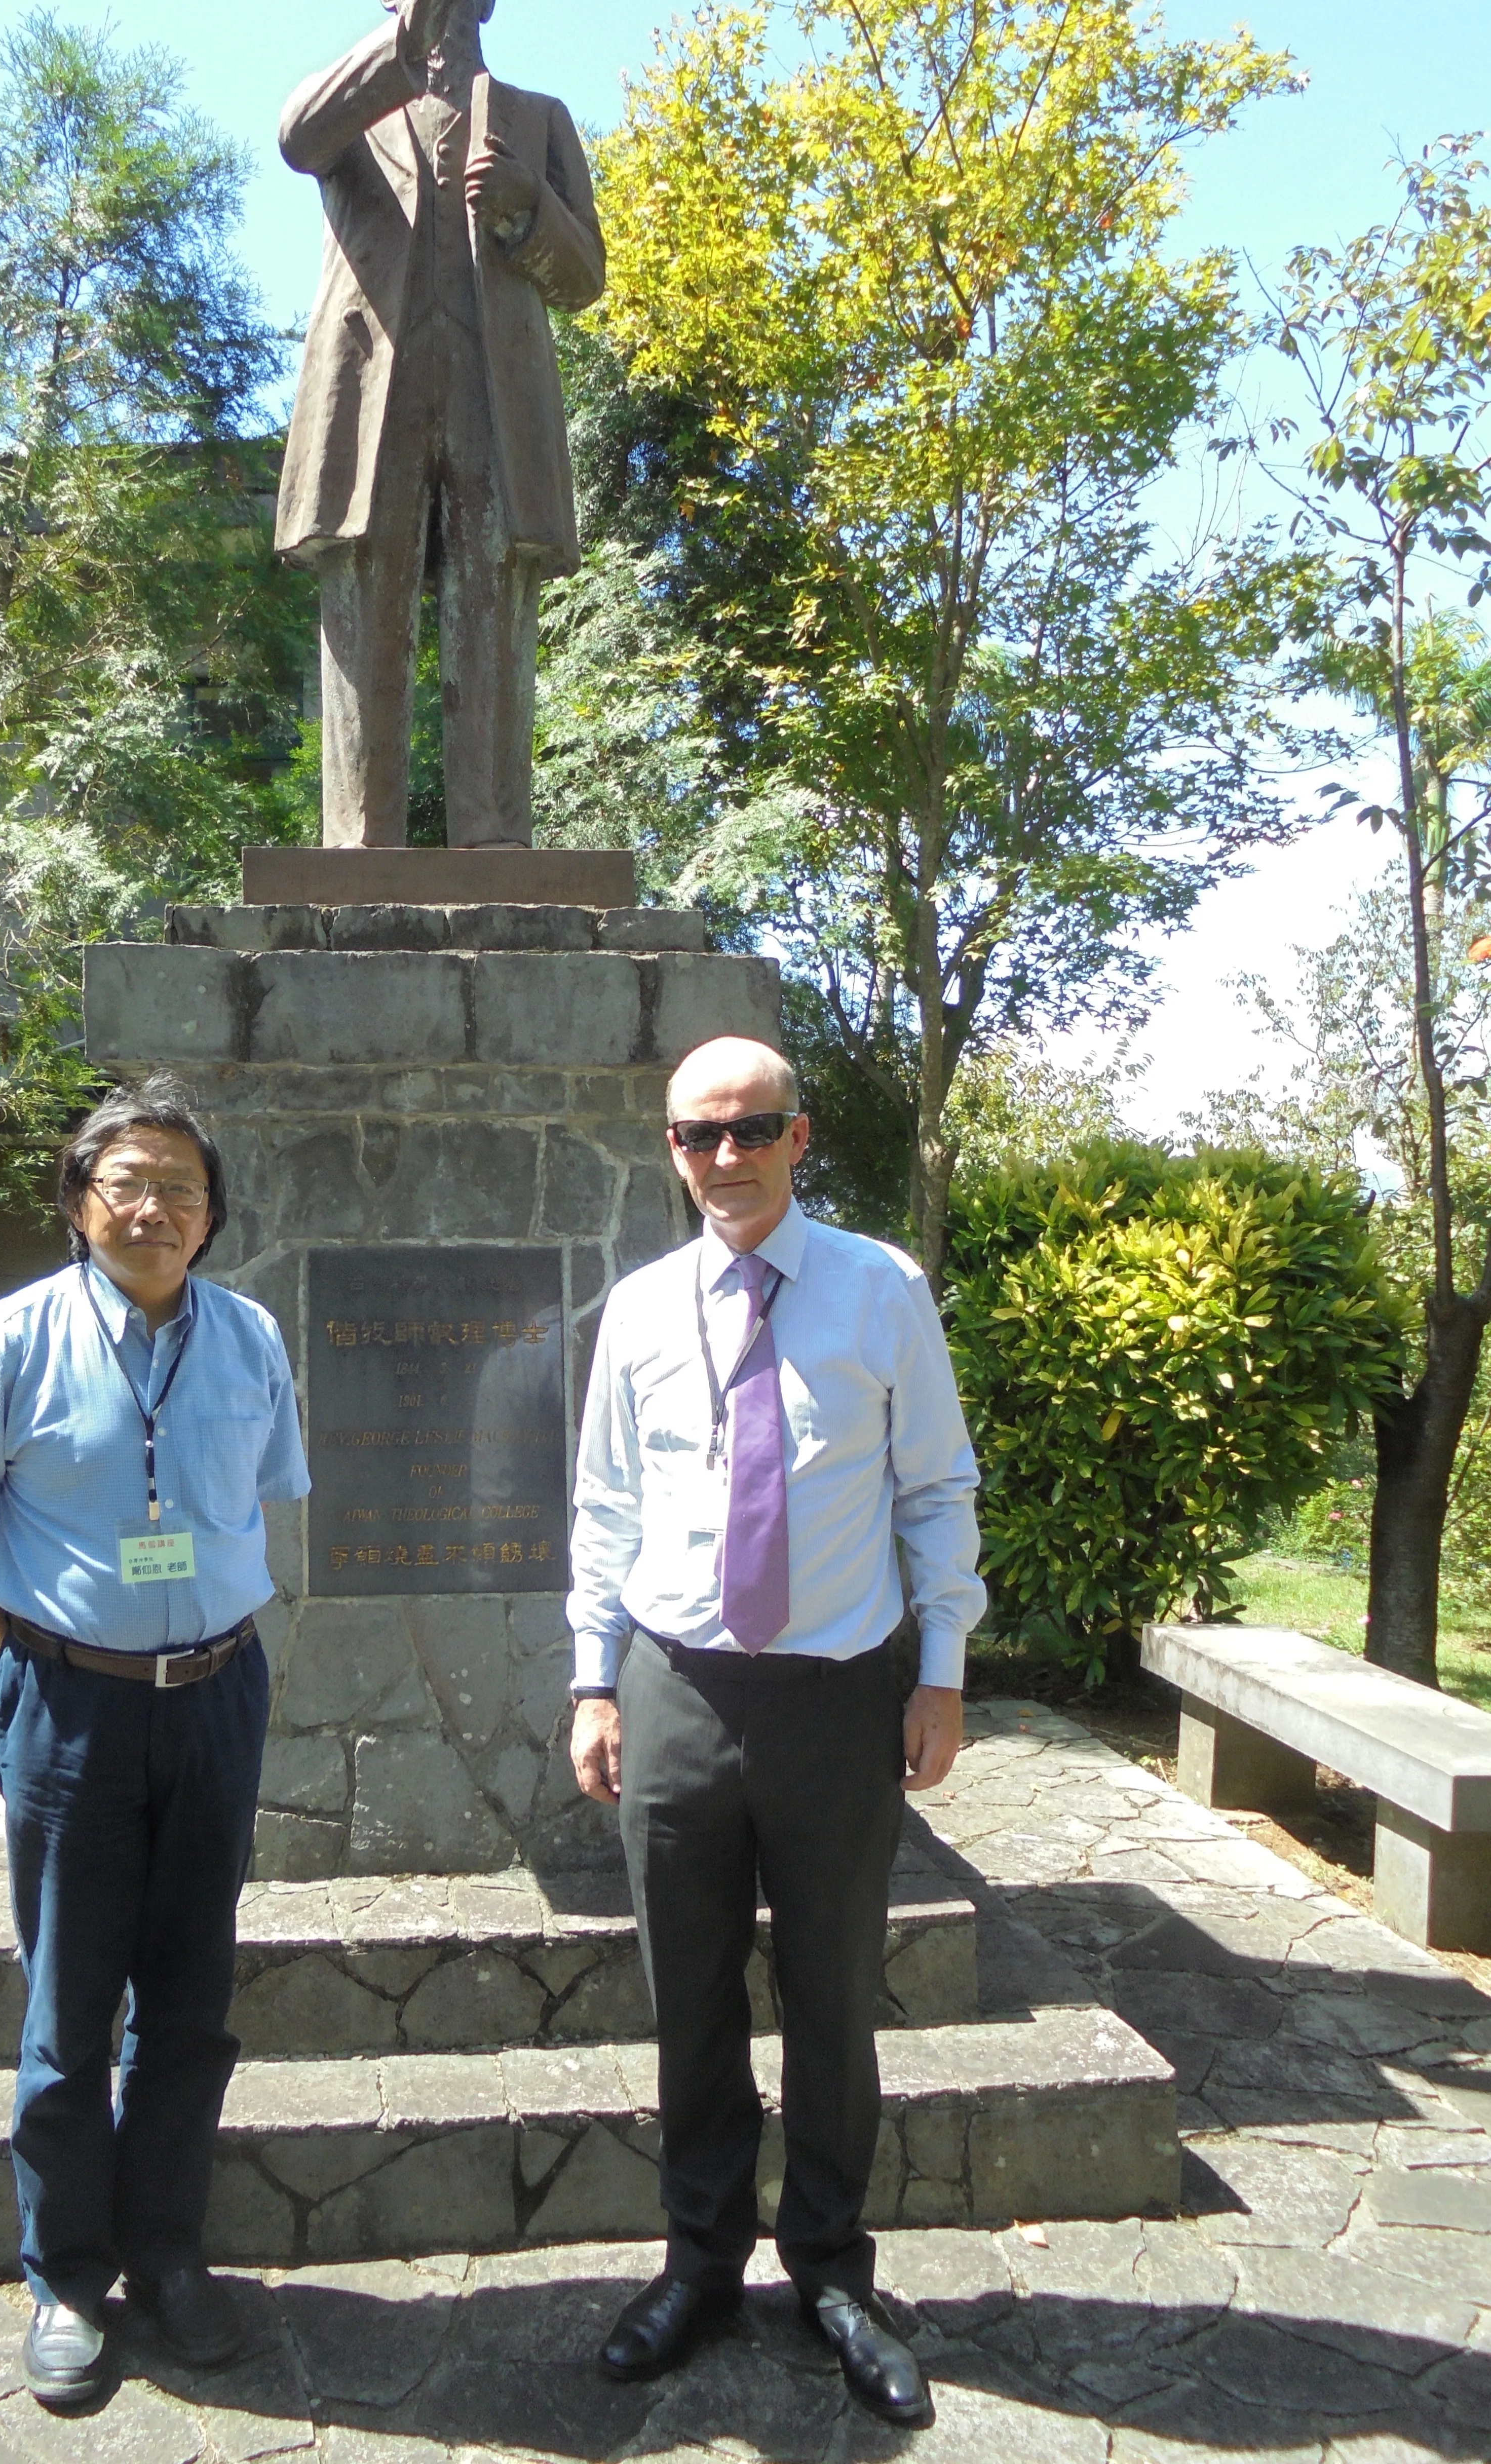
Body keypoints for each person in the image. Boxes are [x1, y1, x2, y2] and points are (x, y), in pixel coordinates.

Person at [566, 1034, 985, 2429]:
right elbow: (605, 1506)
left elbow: (935, 1489)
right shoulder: (640, 1308)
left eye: (753, 1128)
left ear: (800, 1138)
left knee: (832, 1996)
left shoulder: (880, 1289)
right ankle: (700, 2265)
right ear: (671, 1149)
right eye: (701, 1133)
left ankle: (831, 2272)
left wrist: (940, 1673)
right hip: (676, 1690)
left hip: (836, 1697)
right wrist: (593, 1680)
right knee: (690, 2001)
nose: (727, 1155)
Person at [0, 1076, 308, 2411]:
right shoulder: (10, 1339)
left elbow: (262, 1501)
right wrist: (36, 1641)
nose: (154, 1207)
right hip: (69, 1706)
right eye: (127, 1182)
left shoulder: (252, 1338)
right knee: (72, 2003)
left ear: (211, 1214)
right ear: (80, 1201)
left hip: (216, 1696)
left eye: (180, 1187)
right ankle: (67, 2279)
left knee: (192, 2003)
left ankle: (169, 2254)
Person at [274, 0, 605, 849]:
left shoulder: (539, 120)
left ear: (488, 1)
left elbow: (585, 277)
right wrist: (401, 44)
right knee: (365, 599)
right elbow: (296, 137)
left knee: (492, 607)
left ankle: (494, 841)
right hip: (371, 397)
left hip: (495, 398)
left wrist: (529, 207)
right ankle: (359, 844)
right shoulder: (353, 108)